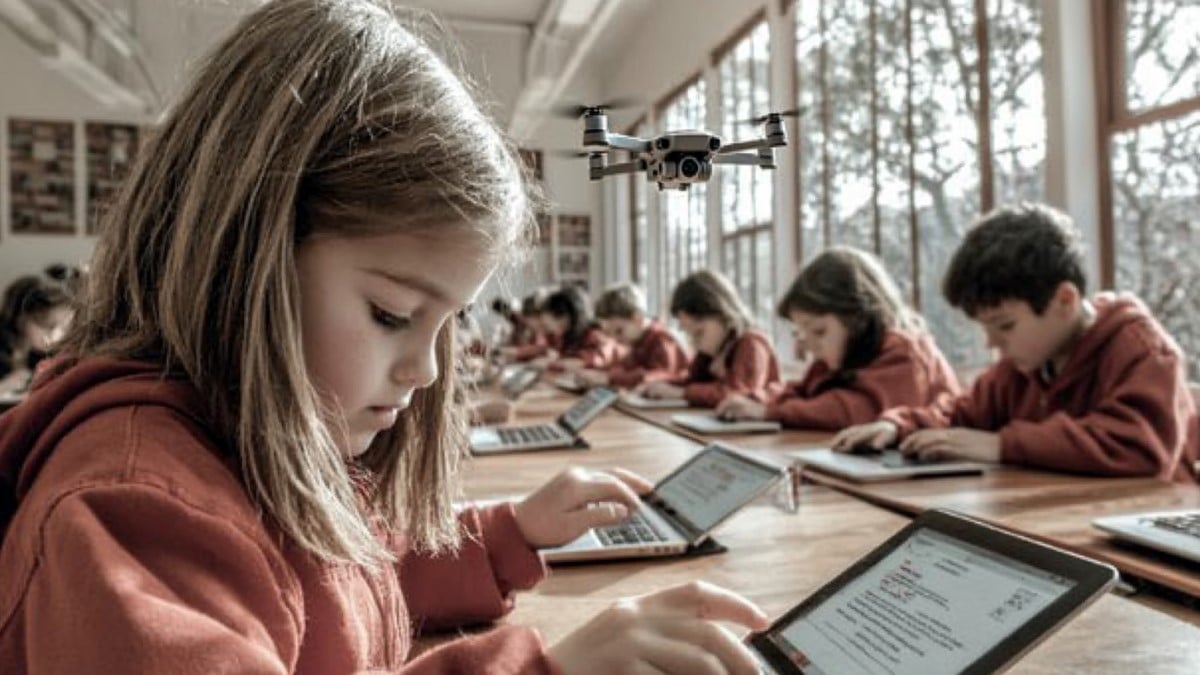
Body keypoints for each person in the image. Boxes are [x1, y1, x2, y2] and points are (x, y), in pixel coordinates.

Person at [0, 2, 770, 673]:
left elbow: (342, 583)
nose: (430, 370)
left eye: (451, 320)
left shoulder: (255, 438)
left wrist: (506, 534)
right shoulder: (131, 508)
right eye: (393, 313)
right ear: (243, 257)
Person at [833, 203, 1199, 483]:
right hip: (1058, 522)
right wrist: (899, 427)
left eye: (1004, 325)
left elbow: (1138, 448)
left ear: (1065, 301)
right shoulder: (1025, 362)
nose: (992, 342)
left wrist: (1001, 445)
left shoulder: (1141, 350)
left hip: (1148, 546)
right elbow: (962, 414)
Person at [715, 247, 961, 429]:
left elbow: (857, 411)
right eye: (801, 332)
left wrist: (767, 412)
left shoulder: (906, 352)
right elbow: (801, 391)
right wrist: (753, 400)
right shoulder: (842, 356)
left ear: (860, 320)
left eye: (819, 331)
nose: (807, 344)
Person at [639, 269, 782, 408]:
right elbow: (692, 381)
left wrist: (680, 393)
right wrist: (658, 385)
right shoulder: (715, 347)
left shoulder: (752, 342)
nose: (695, 344)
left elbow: (737, 393)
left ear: (724, 315)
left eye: (699, 333)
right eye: (689, 335)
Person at [577, 283, 689, 389]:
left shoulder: (663, 341)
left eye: (619, 331)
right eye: (609, 334)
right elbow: (624, 370)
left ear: (637, 318)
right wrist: (600, 376)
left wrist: (609, 379)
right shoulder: (636, 341)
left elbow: (656, 378)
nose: (616, 340)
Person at [0, 275, 73, 395]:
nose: (58, 337)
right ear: (21, 320)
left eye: (64, 328)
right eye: (49, 326)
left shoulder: (51, 356)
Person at [541, 285, 623, 373]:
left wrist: (552, 364)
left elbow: (592, 360)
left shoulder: (596, 334)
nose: (549, 330)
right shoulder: (567, 335)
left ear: (565, 318)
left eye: (548, 325)